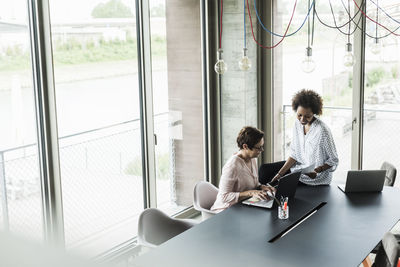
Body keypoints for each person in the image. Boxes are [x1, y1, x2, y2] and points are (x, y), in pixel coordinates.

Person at [259, 89, 339, 186]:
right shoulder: (297, 124)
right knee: (265, 170)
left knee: (279, 185)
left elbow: (334, 160)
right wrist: (279, 174)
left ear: (314, 113)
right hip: (299, 167)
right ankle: (259, 197)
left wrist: (317, 170)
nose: (302, 119)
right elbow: (294, 154)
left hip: (315, 177)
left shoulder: (323, 131)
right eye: (299, 115)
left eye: (307, 116)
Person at [210, 126, 275, 212]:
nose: (262, 150)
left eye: (262, 146)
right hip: (226, 210)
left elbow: (252, 184)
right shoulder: (232, 166)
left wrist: (262, 187)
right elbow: (224, 197)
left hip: (243, 206)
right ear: (245, 146)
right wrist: (251, 192)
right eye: (258, 147)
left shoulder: (253, 159)